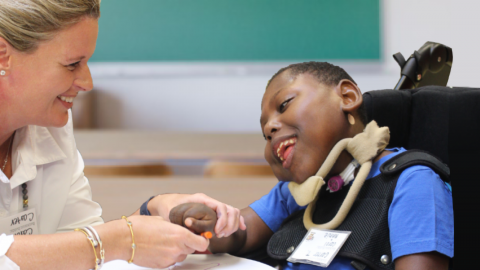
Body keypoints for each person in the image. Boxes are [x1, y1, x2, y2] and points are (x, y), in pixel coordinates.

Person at [0, 1, 245, 269]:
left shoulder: (49, 125)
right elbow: (96, 245)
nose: (87, 82)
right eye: (72, 64)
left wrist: (154, 210)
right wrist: (120, 239)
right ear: (3, 56)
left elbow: (82, 244)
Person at [170, 62, 454, 270]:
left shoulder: (412, 180)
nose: (270, 127)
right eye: (264, 132)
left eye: (284, 105)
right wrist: (206, 224)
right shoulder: (294, 193)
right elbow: (239, 235)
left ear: (347, 97)